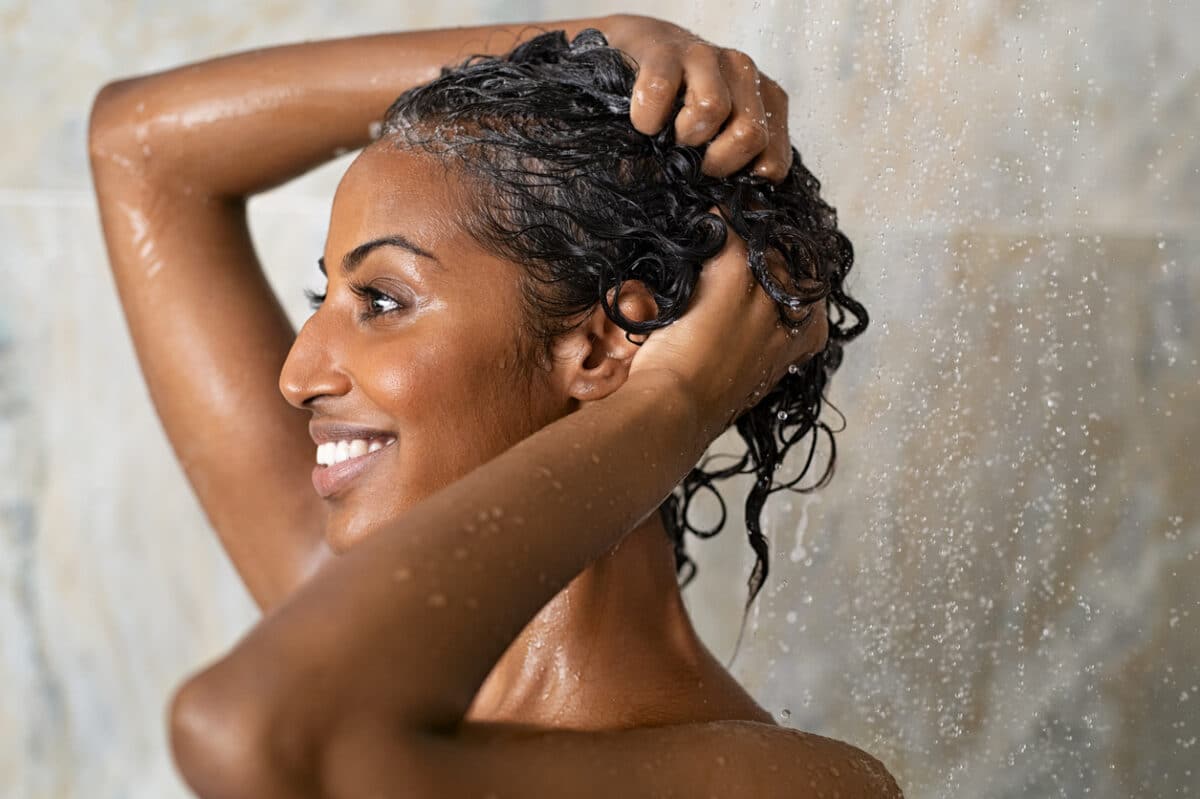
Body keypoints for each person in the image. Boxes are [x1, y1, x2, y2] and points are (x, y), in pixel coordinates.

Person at [88, 13, 898, 798]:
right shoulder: (344, 638)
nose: (295, 374)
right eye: (322, 293)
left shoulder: (796, 786)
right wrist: (586, 46)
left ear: (603, 346)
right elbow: (141, 149)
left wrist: (673, 400)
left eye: (380, 299)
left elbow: (253, 732)